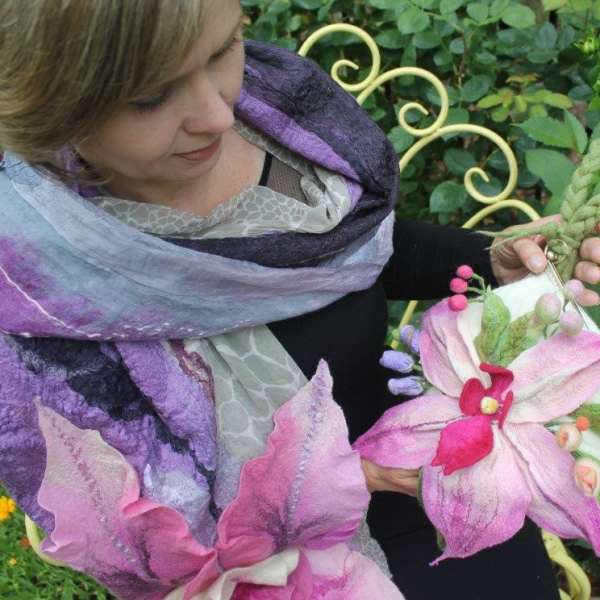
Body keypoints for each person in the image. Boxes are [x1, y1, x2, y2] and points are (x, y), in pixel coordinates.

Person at [1, 1, 600, 598]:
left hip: (436, 466)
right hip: (287, 566)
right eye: (150, 97)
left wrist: (490, 260)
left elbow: (350, 254)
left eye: (222, 50)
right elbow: (137, 542)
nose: (217, 114)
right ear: (51, 104)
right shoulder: (32, 281)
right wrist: (358, 478)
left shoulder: (274, 122)